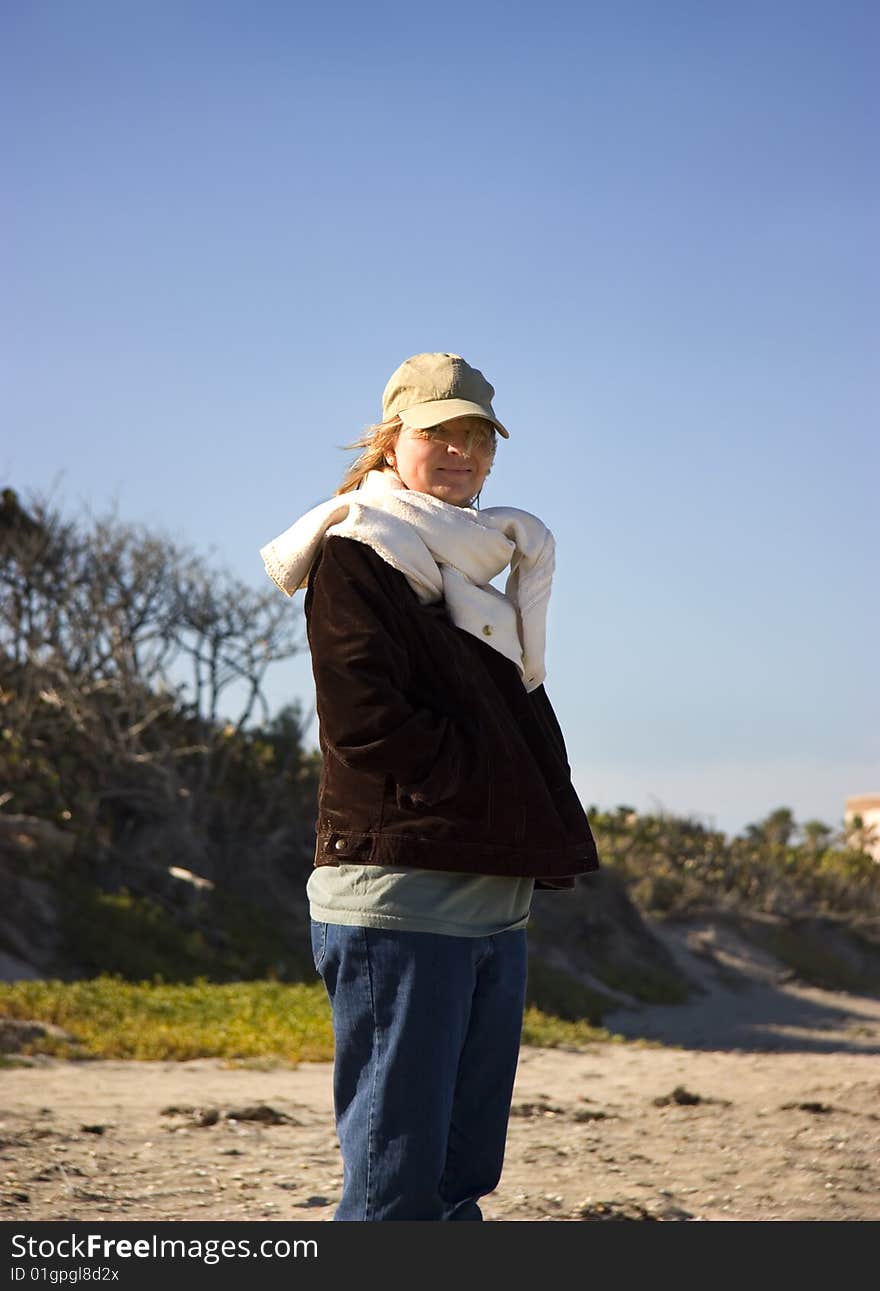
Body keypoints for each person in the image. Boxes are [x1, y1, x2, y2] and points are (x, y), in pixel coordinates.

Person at [259, 351, 599, 1221]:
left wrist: (519, 813)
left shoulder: (483, 569)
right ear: (391, 441)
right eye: (436, 433)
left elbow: (509, 715)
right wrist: (497, 792)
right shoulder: (357, 552)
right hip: (397, 894)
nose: (459, 452)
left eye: (476, 437)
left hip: (492, 898)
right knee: (396, 1183)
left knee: (459, 1177)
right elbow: (371, 724)